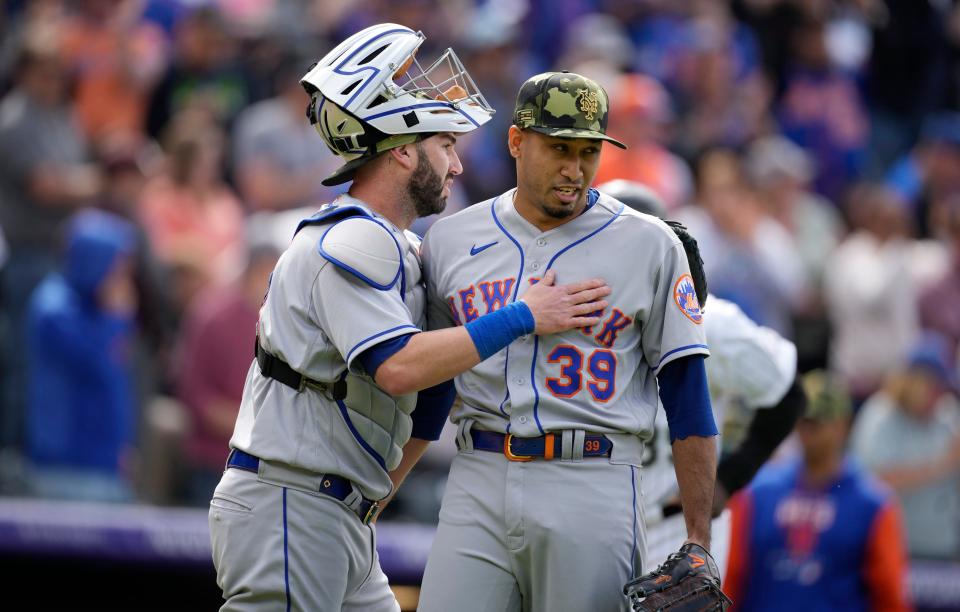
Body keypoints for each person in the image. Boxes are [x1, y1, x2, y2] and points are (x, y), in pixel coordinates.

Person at [207, 25, 611, 612]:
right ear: (401, 149)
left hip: (338, 511)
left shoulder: (402, 248)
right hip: (289, 504)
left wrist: (374, 493)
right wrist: (525, 315)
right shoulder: (351, 241)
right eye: (445, 144)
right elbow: (398, 369)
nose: (455, 165)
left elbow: (431, 392)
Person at [417, 71, 720, 612]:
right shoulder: (450, 239)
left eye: (588, 151)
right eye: (559, 148)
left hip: (592, 477)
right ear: (516, 141)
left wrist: (699, 536)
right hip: (478, 472)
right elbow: (435, 388)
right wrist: (386, 487)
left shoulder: (650, 244)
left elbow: (687, 394)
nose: (574, 169)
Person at [598, 179, 806, 576]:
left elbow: (788, 393)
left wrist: (729, 478)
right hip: (593, 533)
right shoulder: (573, 319)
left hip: (675, 530)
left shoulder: (712, 323)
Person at [724, 371, 912, 612]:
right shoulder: (757, 493)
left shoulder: (873, 504)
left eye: (817, 423)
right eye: (803, 422)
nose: (807, 432)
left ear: (843, 425)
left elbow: (889, 592)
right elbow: (731, 575)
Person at [24, 209, 139, 503]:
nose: (121, 280)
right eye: (116, 268)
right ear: (94, 262)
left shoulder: (101, 309)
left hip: (105, 467)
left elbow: (115, 383)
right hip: (65, 470)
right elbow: (96, 361)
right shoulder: (54, 308)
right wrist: (116, 317)